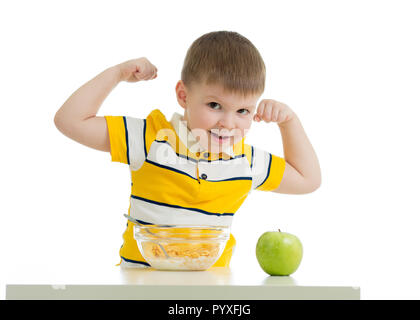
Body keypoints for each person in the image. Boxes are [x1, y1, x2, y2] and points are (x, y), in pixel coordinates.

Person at [54, 30, 321, 269]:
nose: (228, 123)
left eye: (242, 111)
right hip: (141, 287)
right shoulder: (151, 138)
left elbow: (308, 179)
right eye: (214, 105)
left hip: (210, 290)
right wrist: (118, 74)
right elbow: (69, 120)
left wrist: (289, 123)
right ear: (183, 96)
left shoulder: (245, 161)